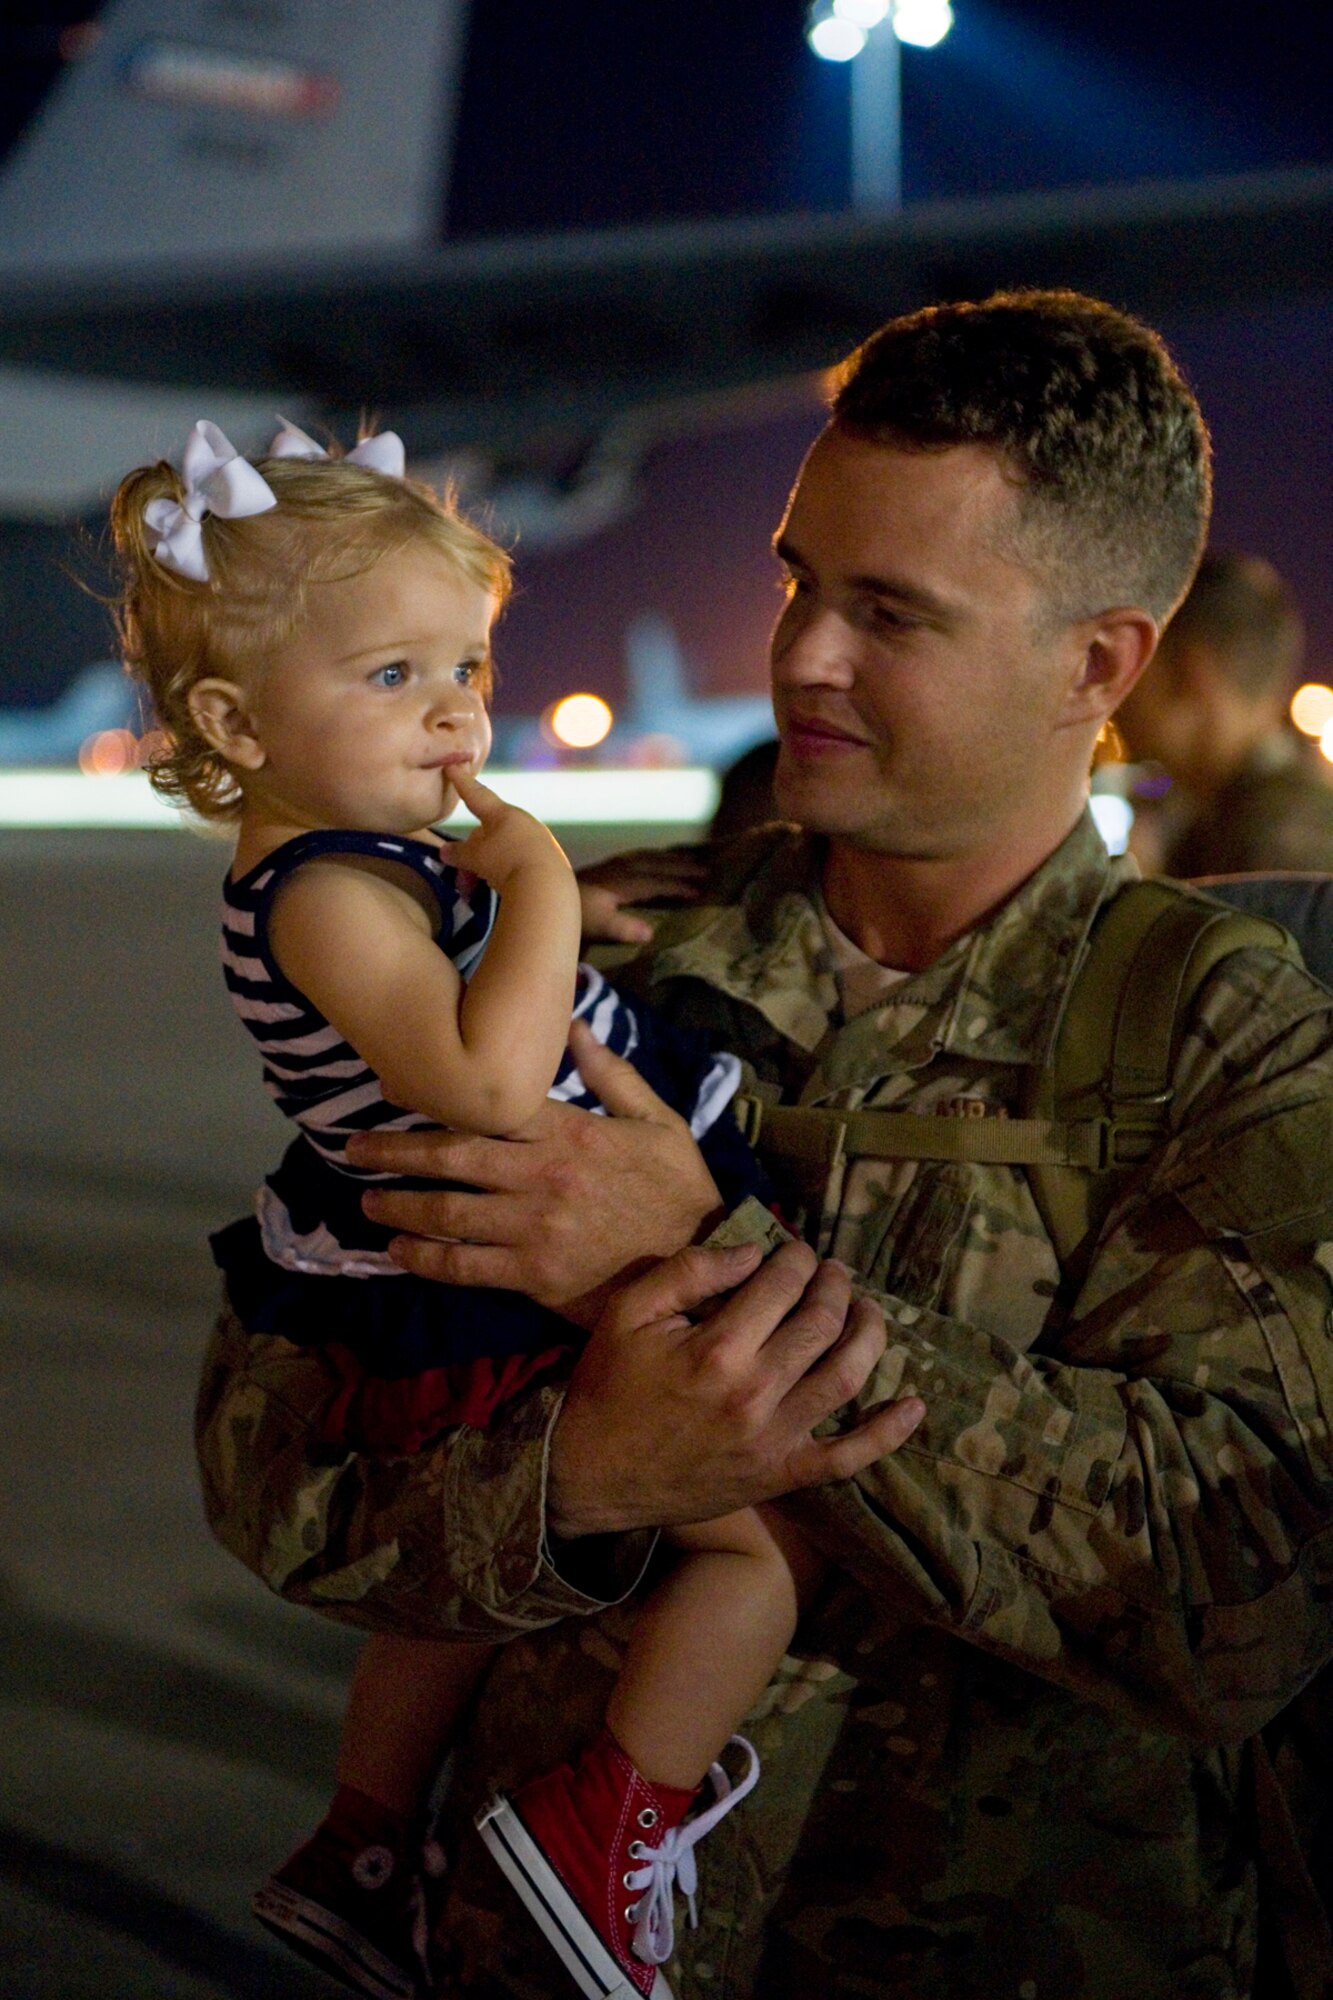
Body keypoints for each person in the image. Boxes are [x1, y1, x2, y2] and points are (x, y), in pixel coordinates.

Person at [193, 290, 1333, 2000]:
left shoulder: (1219, 1031)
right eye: (803, 578)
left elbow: (1237, 1594)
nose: (798, 652)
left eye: (892, 613)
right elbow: (275, 1473)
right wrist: (577, 1477)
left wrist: (702, 1275)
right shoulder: (596, 968)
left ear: (1094, 665)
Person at [110, 417, 914, 2000]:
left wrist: (551, 902)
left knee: (465, 1603)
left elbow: (453, 961)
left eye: (465, 669)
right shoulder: (325, 889)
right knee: (757, 1553)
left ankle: (363, 1836)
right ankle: (605, 1822)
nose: (457, 715)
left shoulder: (367, 867)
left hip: (477, 1256)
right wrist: (541, 878)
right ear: (233, 719)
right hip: (501, 1260)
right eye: (394, 678)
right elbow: (483, 1080)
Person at [1115, 550, 1333, 875]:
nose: (1119, 695)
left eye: (1140, 660)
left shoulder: (1265, 850)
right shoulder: (1276, 816)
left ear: (1190, 676)